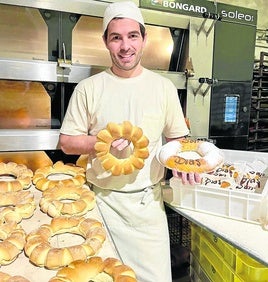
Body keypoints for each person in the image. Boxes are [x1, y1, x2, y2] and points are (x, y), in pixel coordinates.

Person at [59, 1, 200, 281]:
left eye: (132, 36)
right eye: (116, 37)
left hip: (148, 206)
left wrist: (185, 160)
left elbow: (177, 138)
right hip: (101, 203)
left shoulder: (163, 88)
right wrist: (100, 144)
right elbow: (67, 142)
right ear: (106, 42)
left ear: (144, 39)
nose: (125, 46)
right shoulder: (89, 89)